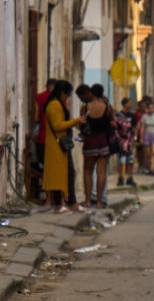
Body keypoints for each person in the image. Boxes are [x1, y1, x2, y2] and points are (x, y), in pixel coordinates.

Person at [42, 81, 86, 213]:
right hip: (56, 145)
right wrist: (75, 121)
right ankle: (61, 204)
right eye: (67, 95)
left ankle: (70, 202)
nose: (67, 98)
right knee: (60, 175)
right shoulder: (54, 105)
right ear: (63, 93)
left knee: (67, 173)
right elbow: (57, 125)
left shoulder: (56, 104)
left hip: (59, 144)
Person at [79, 84, 114, 209]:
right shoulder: (108, 108)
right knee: (101, 172)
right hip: (104, 142)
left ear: (92, 93)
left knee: (88, 171)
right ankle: (99, 202)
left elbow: (82, 124)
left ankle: (88, 200)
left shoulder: (85, 108)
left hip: (90, 142)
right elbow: (112, 122)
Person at [33, 78, 57, 173]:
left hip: (43, 138)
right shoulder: (61, 99)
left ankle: (45, 186)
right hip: (57, 139)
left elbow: (36, 118)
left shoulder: (39, 97)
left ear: (46, 86)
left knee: (43, 167)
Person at [114, 98, 138, 187]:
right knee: (121, 160)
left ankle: (129, 177)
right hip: (121, 140)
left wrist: (135, 136)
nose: (131, 104)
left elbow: (135, 125)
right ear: (125, 104)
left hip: (130, 140)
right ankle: (120, 177)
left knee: (130, 160)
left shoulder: (132, 115)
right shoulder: (119, 115)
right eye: (129, 102)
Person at [138, 101, 154, 175]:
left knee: (153, 153)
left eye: (153, 108)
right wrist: (141, 138)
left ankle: (152, 169)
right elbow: (142, 127)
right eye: (150, 108)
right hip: (146, 134)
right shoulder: (144, 116)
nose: (151, 109)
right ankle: (149, 167)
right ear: (147, 109)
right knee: (148, 154)